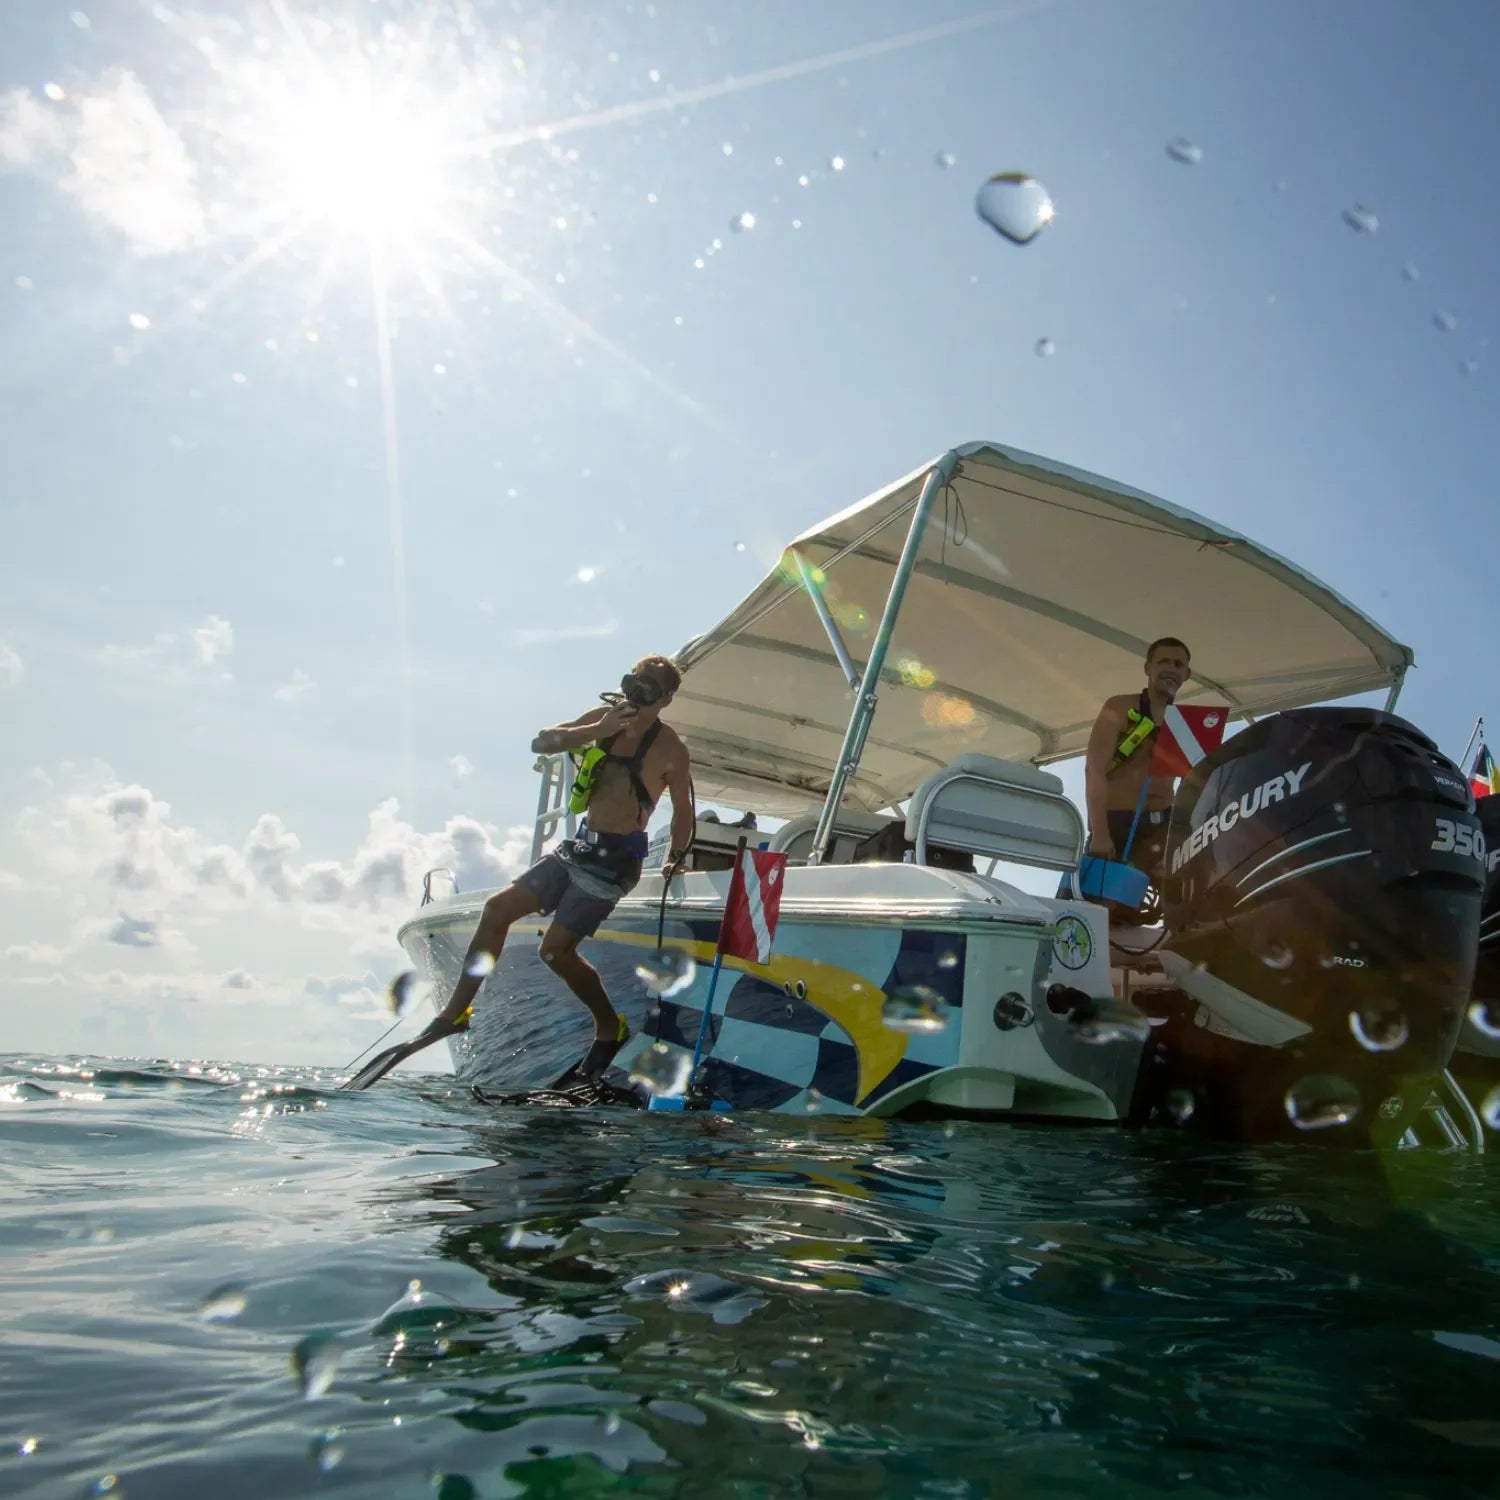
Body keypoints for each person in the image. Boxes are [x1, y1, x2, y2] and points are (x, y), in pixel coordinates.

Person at [423, 654, 696, 1082]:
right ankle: (455, 1014)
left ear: (665, 700)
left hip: (617, 863)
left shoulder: (671, 750)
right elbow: (543, 742)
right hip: (577, 850)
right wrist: (598, 730)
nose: (634, 697)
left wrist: (677, 860)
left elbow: (683, 811)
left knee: (554, 950)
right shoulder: (605, 718)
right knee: (497, 910)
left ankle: (611, 1027)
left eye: (647, 692)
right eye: (632, 684)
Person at [1082, 637, 1191, 880]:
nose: (1171, 669)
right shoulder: (1119, 707)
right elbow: (1094, 769)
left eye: (1178, 664)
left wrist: (1176, 842)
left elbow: (1192, 788)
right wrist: (1100, 834)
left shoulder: (1186, 722)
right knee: (1100, 907)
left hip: (1162, 828)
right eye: (1163, 661)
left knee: (1175, 908)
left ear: (1187, 673)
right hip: (1117, 824)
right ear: (1147, 668)